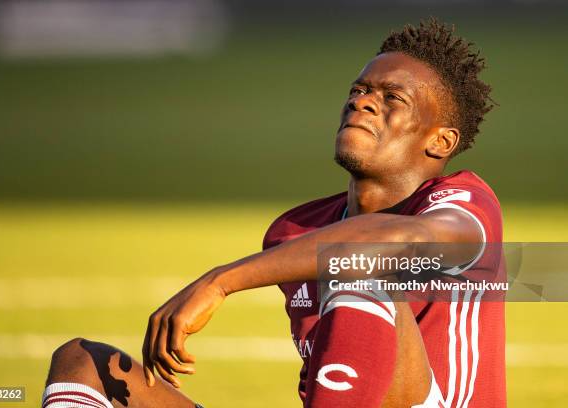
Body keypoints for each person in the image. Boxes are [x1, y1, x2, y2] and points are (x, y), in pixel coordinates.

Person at [41, 18, 505, 408]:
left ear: (441, 141)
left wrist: (220, 282)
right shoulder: (293, 232)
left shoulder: (465, 204)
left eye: (392, 98)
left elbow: (376, 247)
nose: (361, 101)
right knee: (83, 363)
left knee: (356, 270)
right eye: (359, 89)